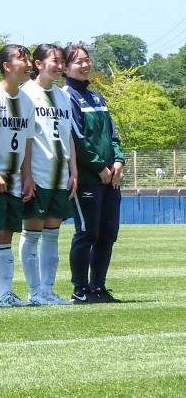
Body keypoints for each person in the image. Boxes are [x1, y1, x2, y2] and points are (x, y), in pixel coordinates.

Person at [63, 42, 126, 304]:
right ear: (65, 67)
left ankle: (98, 287)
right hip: (89, 177)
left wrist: (119, 161)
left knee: (108, 233)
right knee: (87, 232)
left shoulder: (98, 98)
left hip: (110, 178)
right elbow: (78, 139)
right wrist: (99, 167)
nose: (85, 65)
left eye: (86, 60)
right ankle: (80, 289)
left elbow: (113, 135)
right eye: (78, 61)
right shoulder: (66, 96)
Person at [0, 45, 36, 307]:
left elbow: (27, 142)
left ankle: (5, 292)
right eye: (22, 59)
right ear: (6, 66)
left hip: (14, 181)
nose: (29, 63)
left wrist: (28, 177)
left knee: (7, 235)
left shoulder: (26, 100)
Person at [19, 44, 77, 305]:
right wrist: (26, 174)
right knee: (31, 233)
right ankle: (34, 291)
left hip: (60, 176)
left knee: (53, 234)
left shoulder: (64, 96)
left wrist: (74, 170)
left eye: (62, 61)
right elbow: (24, 138)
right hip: (38, 176)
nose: (59, 65)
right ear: (38, 63)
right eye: (54, 60)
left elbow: (69, 136)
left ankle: (47, 289)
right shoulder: (26, 94)